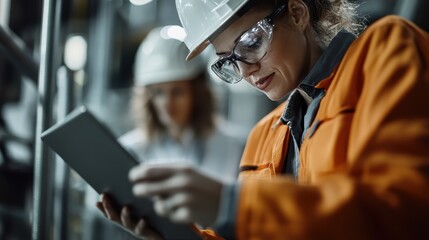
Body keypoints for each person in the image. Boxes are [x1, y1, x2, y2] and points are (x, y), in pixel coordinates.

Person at [99, 0, 429, 239]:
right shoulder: (263, 137)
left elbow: (403, 210)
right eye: (228, 60)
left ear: (297, 13)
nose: (245, 71)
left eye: (250, 43)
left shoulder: (386, 51)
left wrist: (232, 206)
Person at [96, 25, 243, 239]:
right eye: (158, 93)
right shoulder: (128, 151)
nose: (167, 104)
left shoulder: (236, 146)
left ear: (198, 93)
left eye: (177, 92)